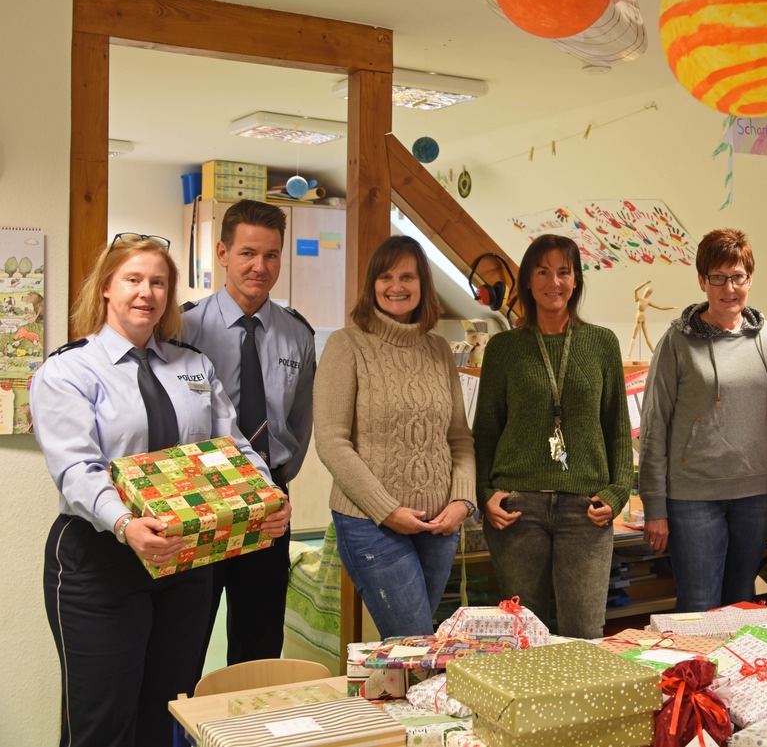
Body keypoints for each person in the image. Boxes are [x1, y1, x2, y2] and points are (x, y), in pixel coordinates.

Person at [31, 233, 288, 747]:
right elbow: (78, 469)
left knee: (168, 712)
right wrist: (125, 523)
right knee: (103, 722)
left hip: (184, 560)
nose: (145, 292)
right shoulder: (68, 370)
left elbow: (232, 445)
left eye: (158, 282)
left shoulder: (192, 365)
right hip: (101, 559)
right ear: (106, 287)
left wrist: (266, 497)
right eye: (133, 279)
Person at [474, 234, 633, 639]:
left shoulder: (601, 343)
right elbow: (486, 431)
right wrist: (483, 492)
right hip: (516, 510)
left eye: (564, 271)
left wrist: (617, 494)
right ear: (528, 280)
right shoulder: (504, 348)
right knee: (523, 637)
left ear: (576, 280)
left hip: (586, 511)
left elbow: (616, 427)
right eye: (543, 271)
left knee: (584, 634)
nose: (554, 282)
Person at [314, 235, 474, 637]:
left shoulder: (438, 349)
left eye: (407, 276)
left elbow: (459, 439)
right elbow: (332, 442)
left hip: (439, 525)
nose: (396, 286)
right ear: (372, 285)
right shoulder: (345, 344)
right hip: (371, 521)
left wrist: (462, 500)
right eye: (385, 276)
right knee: (415, 641)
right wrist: (386, 509)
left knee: (414, 644)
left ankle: (391, 699)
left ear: (423, 285)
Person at [183, 199, 315, 673]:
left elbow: (299, 422)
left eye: (272, 255)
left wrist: (276, 481)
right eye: (247, 253)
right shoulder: (181, 328)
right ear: (222, 252)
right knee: (185, 638)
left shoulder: (297, 333)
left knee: (259, 642)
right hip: (199, 496)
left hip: (269, 500)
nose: (260, 267)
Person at [638, 228, 767, 612]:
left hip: (756, 494)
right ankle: (695, 674)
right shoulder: (677, 341)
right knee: (699, 607)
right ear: (702, 281)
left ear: (749, 279)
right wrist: (655, 507)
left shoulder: (766, 335)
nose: (729, 288)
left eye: (738, 277)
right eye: (717, 277)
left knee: (741, 604)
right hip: (693, 498)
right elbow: (654, 425)